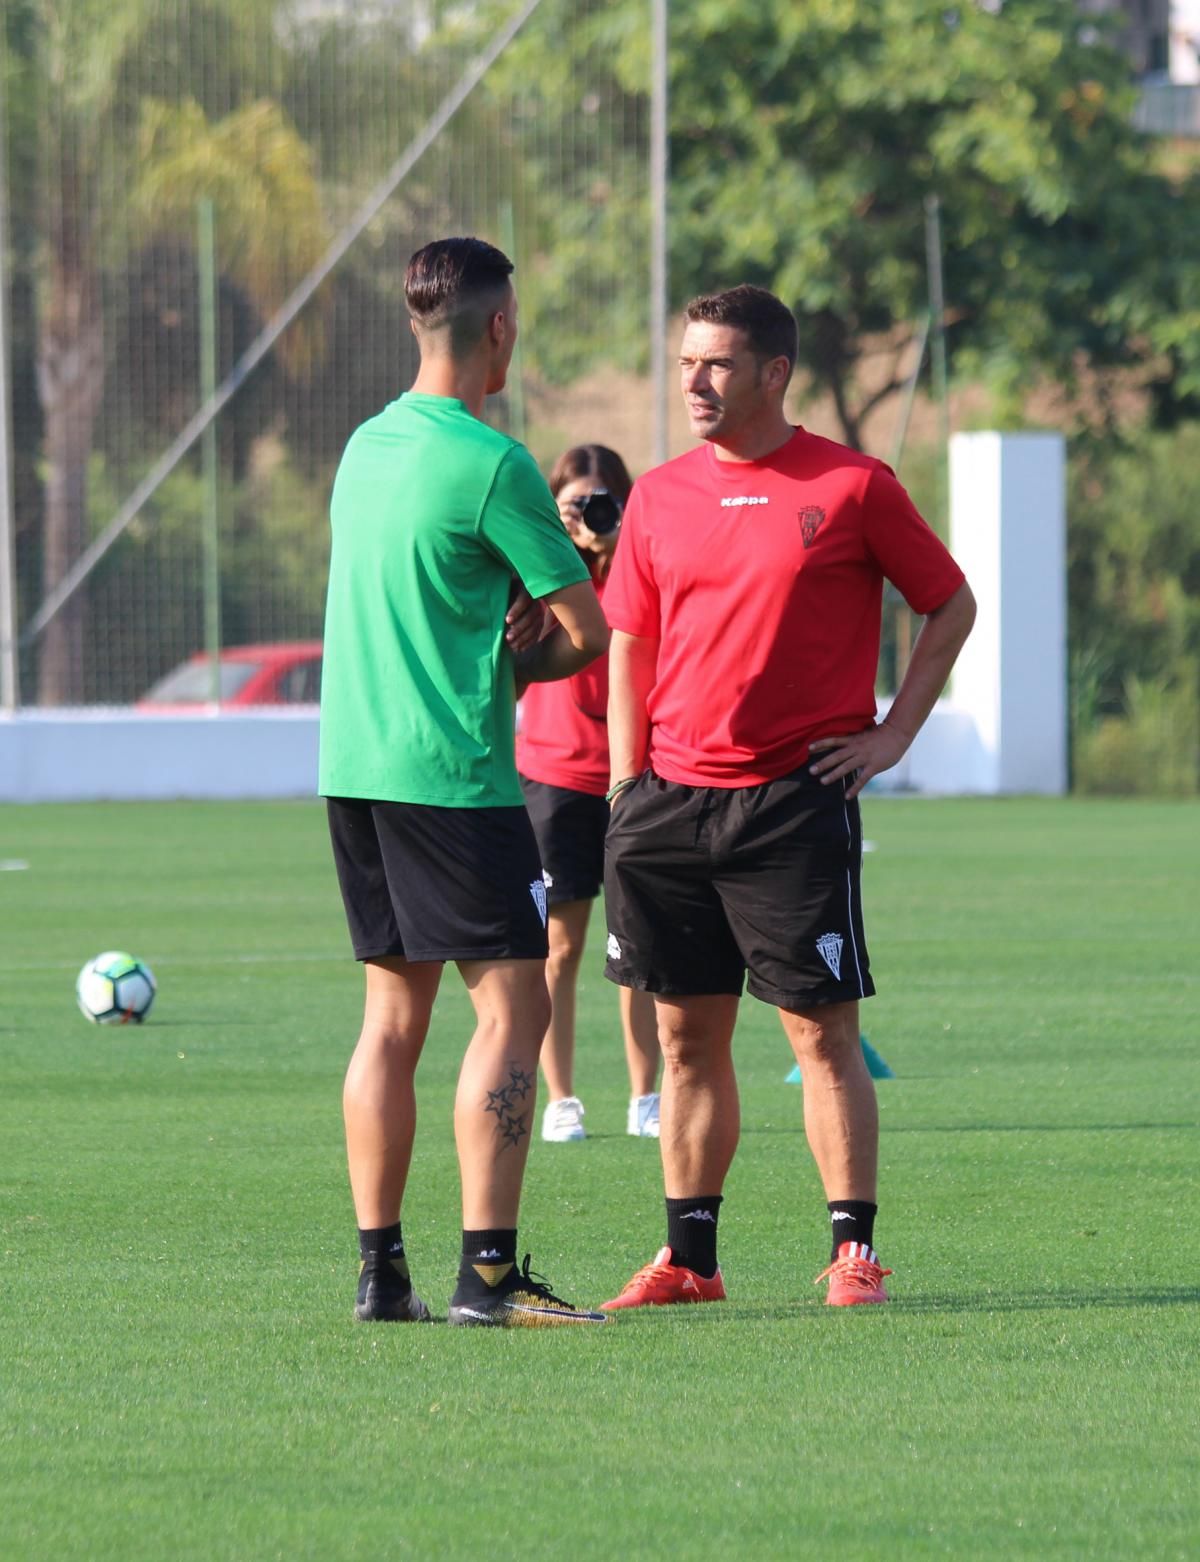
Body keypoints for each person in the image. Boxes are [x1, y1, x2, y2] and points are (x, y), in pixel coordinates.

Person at [598, 284, 975, 1311]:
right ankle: (691, 1260)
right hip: (667, 806)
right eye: (686, 362)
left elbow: (949, 602)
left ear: (775, 373)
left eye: (717, 363)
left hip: (792, 803)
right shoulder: (662, 495)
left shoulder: (853, 485)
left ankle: (853, 1251)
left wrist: (894, 732)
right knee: (684, 1038)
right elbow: (628, 638)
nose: (695, 381)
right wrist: (627, 776)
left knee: (820, 1033)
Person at [318, 236, 611, 1328]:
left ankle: (378, 1271)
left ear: (413, 324)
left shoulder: (361, 447)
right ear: (500, 328)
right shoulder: (495, 463)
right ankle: (488, 1274)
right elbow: (585, 629)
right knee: (515, 1001)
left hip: (354, 768)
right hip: (455, 774)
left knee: (391, 1016)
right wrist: (522, 647)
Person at [515, 445, 662, 1144]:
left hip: (634, 775)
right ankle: (562, 1098)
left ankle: (645, 1095)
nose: (589, 515)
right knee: (560, 948)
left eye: (602, 501)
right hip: (553, 776)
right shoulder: (539, 572)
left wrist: (618, 545)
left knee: (636, 946)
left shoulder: (642, 564)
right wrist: (566, 556)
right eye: (574, 504)